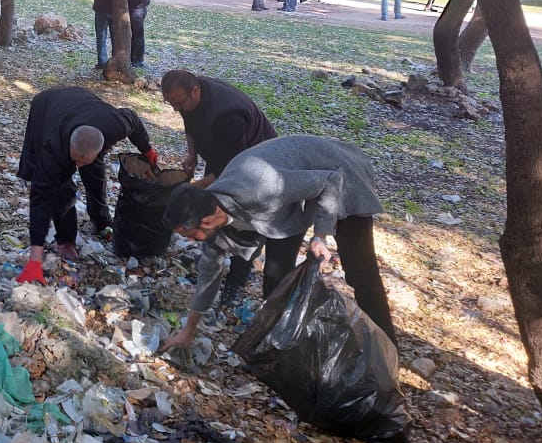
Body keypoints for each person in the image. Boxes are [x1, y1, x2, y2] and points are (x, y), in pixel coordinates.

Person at [161, 135, 398, 351]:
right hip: (291, 201)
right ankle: (285, 347)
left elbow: (331, 181)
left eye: (188, 234)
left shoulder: (261, 188)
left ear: (207, 221)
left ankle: (387, 350)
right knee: (276, 282)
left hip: (341, 173)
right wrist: (188, 331)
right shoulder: (211, 208)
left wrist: (320, 235)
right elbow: (208, 275)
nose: (189, 240)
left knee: (361, 273)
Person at [160, 70, 278, 311]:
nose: (175, 108)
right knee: (208, 213)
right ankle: (211, 268)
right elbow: (188, 122)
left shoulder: (227, 115)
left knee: (245, 224)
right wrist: (192, 154)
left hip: (256, 164)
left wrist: (191, 189)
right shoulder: (189, 96)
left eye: (178, 103)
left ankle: (236, 280)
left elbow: (231, 167)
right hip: (224, 153)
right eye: (170, 103)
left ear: (195, 91)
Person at [16, 87, 158, 284]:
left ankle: (101, 221)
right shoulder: (54, 148)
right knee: (60, 189)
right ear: (69, 147)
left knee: (95, 174)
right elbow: (41, 197)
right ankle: (66, 240)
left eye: (83, 162)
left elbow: (133, 119)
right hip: (46, 105)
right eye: (75, 161)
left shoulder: (116, 124)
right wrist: (34, 259)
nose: (78, 167)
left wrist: (147, 150)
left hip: (84, 106)